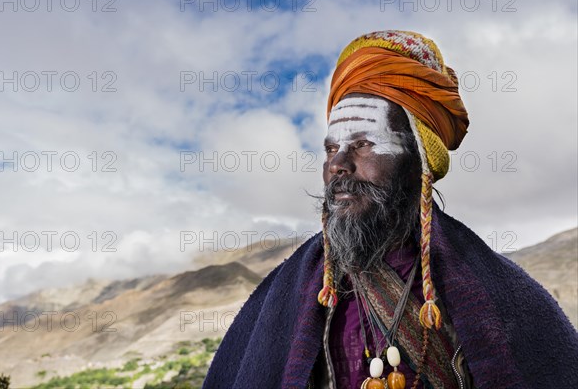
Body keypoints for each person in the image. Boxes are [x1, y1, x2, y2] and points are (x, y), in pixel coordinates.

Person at [202, 30, 578, 389]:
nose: (338, 165)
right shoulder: (289, 291)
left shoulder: (498, 292)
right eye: (331, 149)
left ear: (418, 160)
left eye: (363, 144)